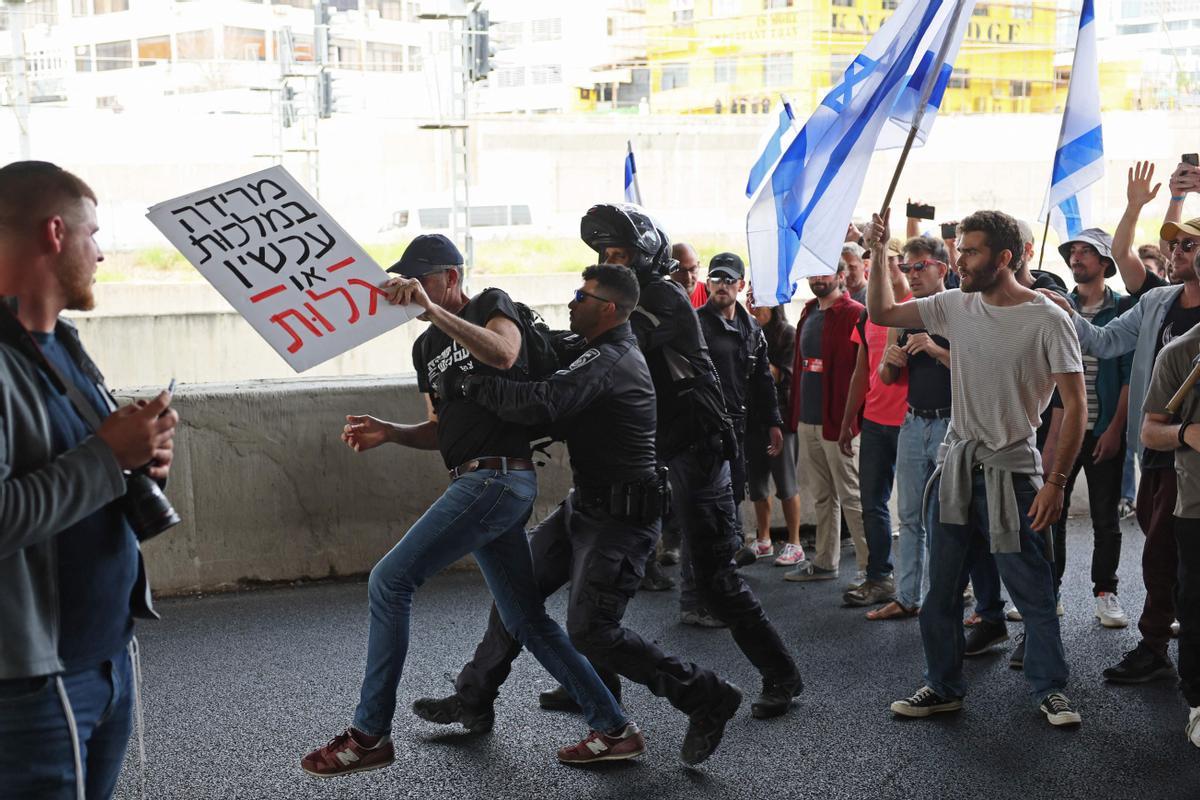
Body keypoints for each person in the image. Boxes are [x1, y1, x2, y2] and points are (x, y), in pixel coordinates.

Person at [301, 235, 638, 776]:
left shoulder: (490, 305)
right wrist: (391, 432)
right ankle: (615, 728)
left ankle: (368, 736)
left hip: (498, 480)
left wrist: (432, 309)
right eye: (405, 281)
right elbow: (441, 431)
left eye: (422, 280)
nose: (408, 290)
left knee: (389, 582)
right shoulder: (425, 350)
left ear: (451, 278)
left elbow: (504, 353)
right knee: (526, 619)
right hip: (476, 484)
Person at [412, 264, 741, 765]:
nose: (571, 303)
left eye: (581, 296)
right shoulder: (591, 350)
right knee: (514, 599)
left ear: (607, 309)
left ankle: (706, 695)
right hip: (584, 506)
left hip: (623, 520)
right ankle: (473, 699)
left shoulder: (611, 359)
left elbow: (543, 403)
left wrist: (470, 386)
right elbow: (541, 355)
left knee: (592, 631)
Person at [579, 203, 803, 719]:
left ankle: (781, 676)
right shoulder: (623, 299)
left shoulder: (662, 298)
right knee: (597, 569)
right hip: (649, 454)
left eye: (621, 253)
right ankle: (589, 680)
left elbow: (608, 344)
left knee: (717, 581)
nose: (612, 261)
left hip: (697, 454)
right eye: (605, 254)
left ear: (644, 255)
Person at [0, 160, 180, 799]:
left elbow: (86, 468)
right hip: (31, 687)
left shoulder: (64, 344)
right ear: (54, 233)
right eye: (93, 234)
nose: (101, 254)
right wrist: (107, 459)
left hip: (107, 657)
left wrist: (140, 459)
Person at [870, 208, 1087, 727]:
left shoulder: (1048, 318)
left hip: (1013, 474)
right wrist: (879, 252)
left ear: (1004, 258)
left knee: (1032, 591)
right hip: (954, 469)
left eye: (969, 251)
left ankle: (1050, 689)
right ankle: (942, 685)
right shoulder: (954, 305)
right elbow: (881, 312)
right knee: (940, 590)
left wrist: (1055, 481)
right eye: (959, 249)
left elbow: (1077, 406)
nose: (957, 260)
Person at [1041, 212, 1200, 686]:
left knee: (1170, 554)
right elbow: (1106, 341)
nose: (1176, 253)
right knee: (1160, 549)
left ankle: (1157, 643)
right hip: (1159, 446)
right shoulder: (1157, 301)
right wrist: (1068, 314)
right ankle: (1162, 642)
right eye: (1173, 245)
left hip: (1188, 455)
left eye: (1187, 246)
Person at [867, 235, 951, 621]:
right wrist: (892, 359)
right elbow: (885, 376)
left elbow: (976, 370)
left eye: (920, 267)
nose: (912, 275)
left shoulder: (960, 311)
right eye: (907, 268)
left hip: (953, 423)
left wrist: (934, 349)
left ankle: (946, 594)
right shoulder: (904, 314)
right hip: (914, 422)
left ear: (942, 269)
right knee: (909, 515)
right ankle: (907, 597)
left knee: (947, 517)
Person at [1052, 229, 1133, 629]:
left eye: (1087, 252)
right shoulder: (1057, 305)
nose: (1077, 257)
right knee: (1051, 511)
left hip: (1102, 429)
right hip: (1062, 428)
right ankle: (1049, 593)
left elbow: (1127, 376)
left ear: (1105, 263)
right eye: (1073, 251)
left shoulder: (1123, 307)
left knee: (1105, 517)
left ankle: (1106, 592)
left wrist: (1115, 429)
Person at [783, 259, 869, 584]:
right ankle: (824, 561)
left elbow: (862, 372)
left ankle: (869, 569)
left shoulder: (854, 313)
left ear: (841, 276)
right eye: (813, 272)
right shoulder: (807, 313)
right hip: (809, 420)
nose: (818, 278)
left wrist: (852, 420)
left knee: (851, 496)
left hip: (840, 423)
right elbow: (800, 366)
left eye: (825, 272)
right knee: (822, 496)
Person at [840, 246, 911, 607]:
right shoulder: (868, 315)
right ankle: (879, 577)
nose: (884, 266)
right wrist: (848, 420)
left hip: (914, 424)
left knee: (922, 510)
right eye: (877, 261)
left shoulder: (920, 308)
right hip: (874, 424)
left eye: (891, 259)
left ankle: (944, 583)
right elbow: (860, 372)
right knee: (873, 504)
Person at [1140, 321, 1200, 749]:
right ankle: (1198, 703)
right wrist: (1186, 433)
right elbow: (1150, 431)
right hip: (1197, 508)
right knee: (1196, 610)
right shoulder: (1181, 352)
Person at [696, 252, 783, 532]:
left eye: (729, 279)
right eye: (716, 278)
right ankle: (697, 572)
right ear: (708, 283)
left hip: (738, 429)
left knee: (732, 497)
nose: (722, 285)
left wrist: (773, 423)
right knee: (700, 506)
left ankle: (727, 567)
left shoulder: (753, 329)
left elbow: (763, 381)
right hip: (699, 430)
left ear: (741, 284)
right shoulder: (693, 325)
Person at [746, 299, 806, 567]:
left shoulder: (787, 333)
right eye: (750, 299)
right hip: (751, 418)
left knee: (786, 482)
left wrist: (754, 354)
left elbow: (783, 375)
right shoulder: (745, 328)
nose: (753, 306)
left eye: (758, 301)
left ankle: (794, 542)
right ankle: (764, 538)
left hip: (780, 418)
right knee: (757, 484)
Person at [671, 241, 708, 308]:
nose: (688, 278)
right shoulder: (660, 298)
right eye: (682, 271)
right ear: (670, 269)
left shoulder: (710, 294)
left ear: (698, 266)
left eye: (693, 269)